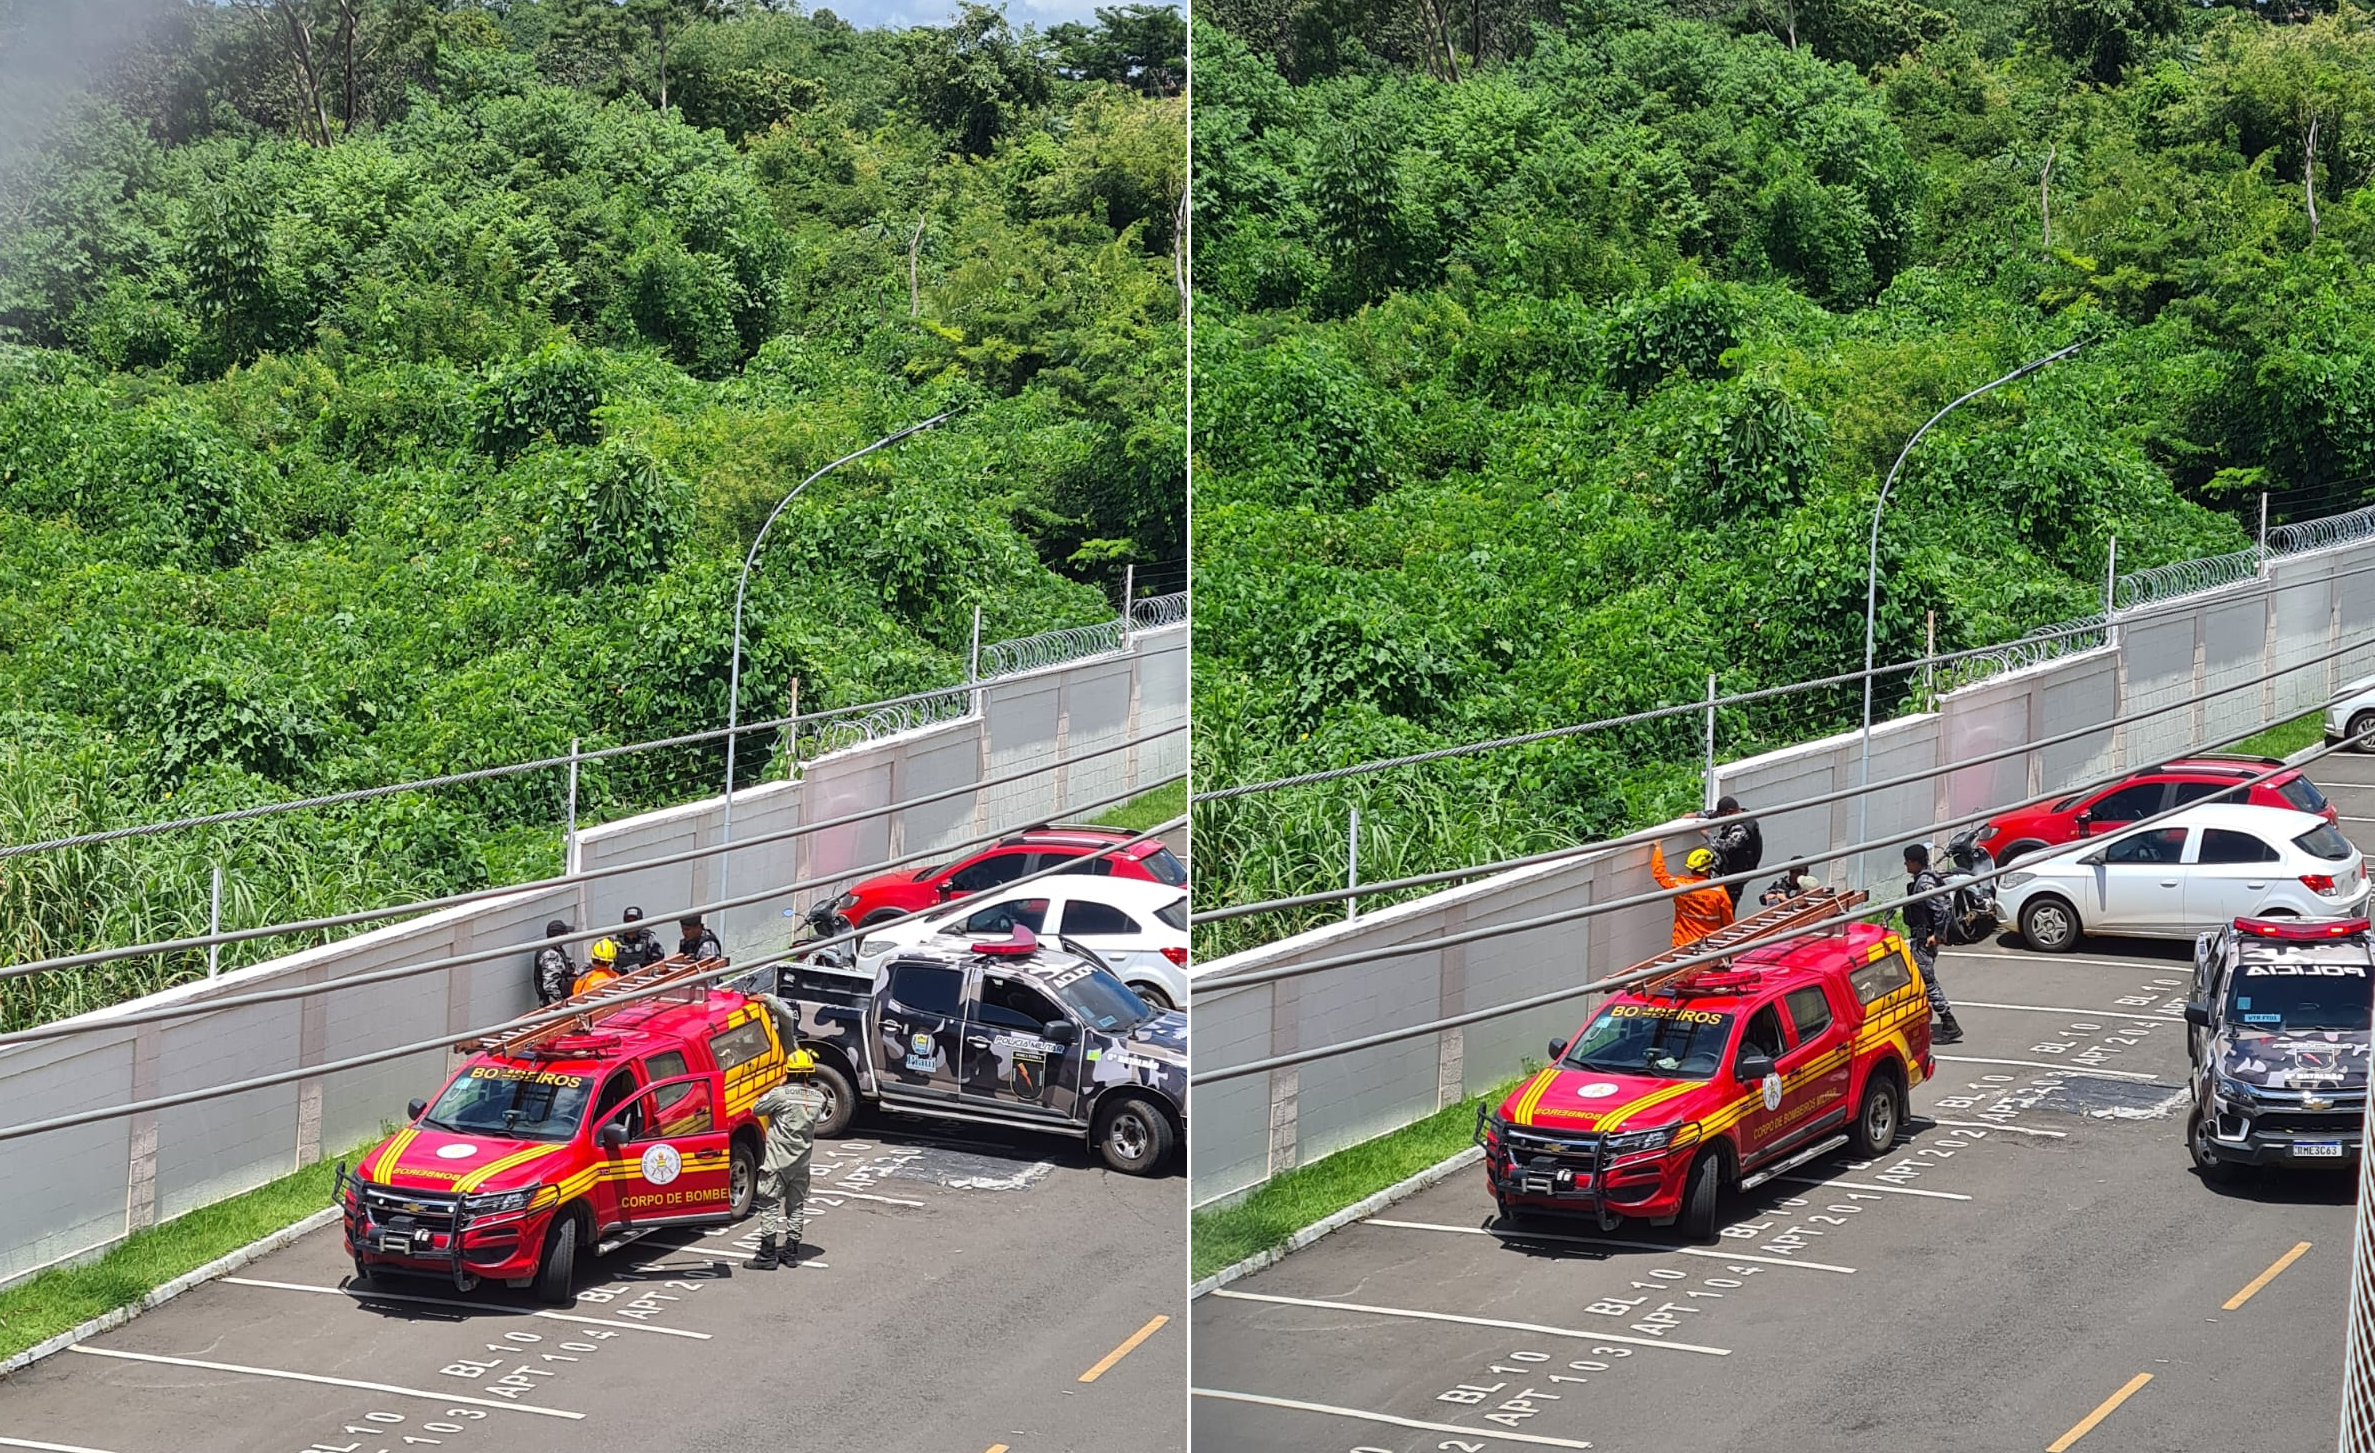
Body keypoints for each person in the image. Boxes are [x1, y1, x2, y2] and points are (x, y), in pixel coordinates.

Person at [747, 1044, 826, 1271]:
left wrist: (778, 1088)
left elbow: (757, 1108)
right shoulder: (818, 1098)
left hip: (777, 1164)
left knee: (770, 1205)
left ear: (789, 1071)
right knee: (796, 1207)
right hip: (801, 1165)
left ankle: (767, 1255)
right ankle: (791, 1253)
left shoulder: (781, 1094)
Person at [1901, 844, 1965, 1045]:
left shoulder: (1925, 883)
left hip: (1924, 940)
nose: (1905, 865)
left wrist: (1937, 934)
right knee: (1918, 979)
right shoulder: (1923, 879)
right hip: (1920, 938)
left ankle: (1949, 1023)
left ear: (1914, 862)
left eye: (1907, 861)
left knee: (1927, 981)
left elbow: (1943, 908)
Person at [1650, 840, 1735, 948]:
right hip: (1710, 944)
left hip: (1682, 944)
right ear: (1707, 869)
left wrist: (1658, 848)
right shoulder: (1718, 891)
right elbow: (1728, 922)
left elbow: (1659, 874)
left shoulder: (1679, 886)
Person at [1701, 796, 1764, 909]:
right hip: (1729, 872)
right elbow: (1716, 814)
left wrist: (1706, 835)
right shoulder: (1742, 814)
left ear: (1729, 812)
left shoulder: (1742, 829)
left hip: (1736, 875)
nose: (1720, 818)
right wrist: (1698, 815)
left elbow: (1725, 847)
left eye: (1722, 816)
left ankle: (1727, 926)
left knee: (1727, 906)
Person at [532, 920, 576, 1007]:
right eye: (565, 934)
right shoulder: (550, 955)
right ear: (559, 936)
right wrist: (561, 1003)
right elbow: (550, 986)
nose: (567, 936)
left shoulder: (556, 949)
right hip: (555, 1006)